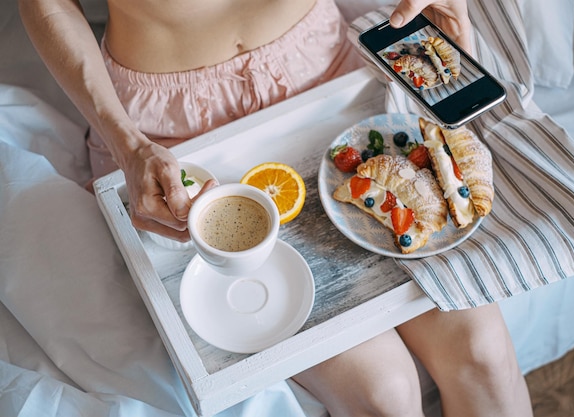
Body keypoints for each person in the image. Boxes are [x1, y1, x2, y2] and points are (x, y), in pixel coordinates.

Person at [19, 0, 533, 416]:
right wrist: (126, 143)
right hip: (175, 134)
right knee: (386, 392)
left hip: (326, 77)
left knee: (483, 350)